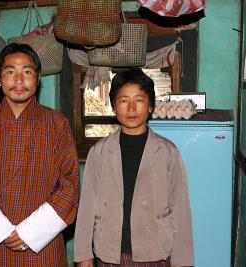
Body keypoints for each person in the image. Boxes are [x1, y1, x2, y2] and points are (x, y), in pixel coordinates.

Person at [0, 43, 80, 266]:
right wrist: (0, 229)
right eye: (10, 72)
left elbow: (70, 185)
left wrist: (31, 232)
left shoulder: (58, 124)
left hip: (43, 241)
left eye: (27, 72)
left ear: (38, 79)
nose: (19, 80)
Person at [74, 69, 194, 267]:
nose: (131, 108)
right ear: (113, 107)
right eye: (123, 100)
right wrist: (83, 256)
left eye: (139, 100)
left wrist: (182, 261)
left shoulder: (167, 152)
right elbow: (86, 207)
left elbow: (180, 210)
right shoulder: (100, 152)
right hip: (110, 254)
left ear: (151, 106)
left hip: (155, 254)